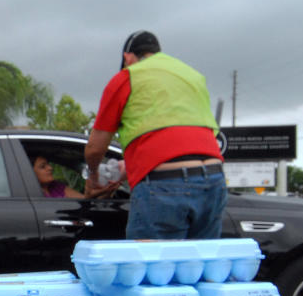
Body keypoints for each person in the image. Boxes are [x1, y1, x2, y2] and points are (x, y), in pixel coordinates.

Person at [83, 30, 226, 239]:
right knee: (198, 267)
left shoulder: (127, 77)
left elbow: (95, 149)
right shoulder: (192, 76)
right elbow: (179, 140)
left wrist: (93, 176)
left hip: (164, 185)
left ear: (127, 57)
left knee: (151, 268)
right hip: (214, 181)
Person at [31, 154, 120, 198]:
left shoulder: (56, 186)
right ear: (30, 172)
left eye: (48, 164)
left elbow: (84, 202)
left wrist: (107, 191)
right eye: (43, 167)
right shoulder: (32, 195)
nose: (50, 168)